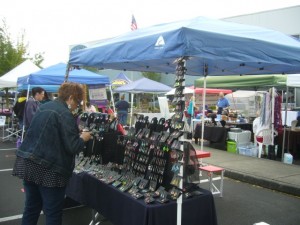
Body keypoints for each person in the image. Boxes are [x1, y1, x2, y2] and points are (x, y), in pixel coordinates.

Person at [12, 82, 92, 225]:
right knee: (53, 212)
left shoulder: (44, 107)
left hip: (29, 163)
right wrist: (83, 138)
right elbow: (73, 147)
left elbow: (48, 133)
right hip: (49, 169)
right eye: (78, 102)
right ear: (71, 97)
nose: (77, 106)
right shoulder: (64, 114)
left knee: (31, 208)